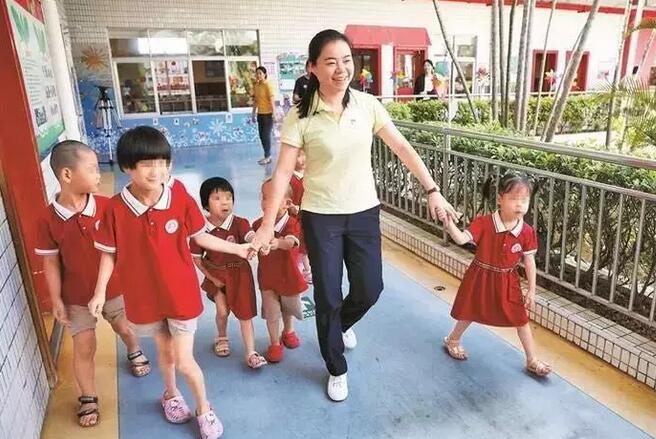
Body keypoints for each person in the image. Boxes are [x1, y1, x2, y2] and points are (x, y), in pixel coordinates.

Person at [250, 29, 457, 402]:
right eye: (330, 62)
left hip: (363, 213)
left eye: (346, 60)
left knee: (369, 287)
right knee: (328, 294)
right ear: (313, 68)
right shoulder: (301, 115)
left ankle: (338, 326)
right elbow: (282, 173)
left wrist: (432, 190)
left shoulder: (367, 105)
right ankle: (336, 366)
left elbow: (402, 147)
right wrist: (267, 226)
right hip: (321, 217)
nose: (340, 69)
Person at [90, 126, 254, 439]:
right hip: (145, 298)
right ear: (127, 167)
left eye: (162, 162)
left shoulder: (179, 196)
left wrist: (238, 249)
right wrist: (99, 292)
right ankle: (171, 394)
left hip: (180, 296)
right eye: (147, 164)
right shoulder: (114, 209)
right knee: (164, 355)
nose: (157, 171)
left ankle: (204, 408)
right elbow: (109, 253)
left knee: (184, 359)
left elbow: (200, 236)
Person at [34, 140, 150, 428]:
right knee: (84, 347)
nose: (99, 175)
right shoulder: (47, 219)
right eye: (92, 169)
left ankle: (134, 349)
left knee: (125, 328)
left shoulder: (108, 207)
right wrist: (56, 300)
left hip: (115, 289)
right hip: (76, 297)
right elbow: (50, 263)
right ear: (67, 175)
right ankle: (88, 396)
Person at [439, 171, 552, 377]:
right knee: (469, 311)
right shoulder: (484, 222)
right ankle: (452, 340)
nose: (520, 205)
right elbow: (462, 239)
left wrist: (532, 290)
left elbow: (529, 261)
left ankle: (532, 360)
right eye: (514, 199)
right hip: (480, 277)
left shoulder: (527, 232)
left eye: (524, 199)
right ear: (500, 199)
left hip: (508, 281)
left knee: (521, 319)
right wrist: (449, 224)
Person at [190, 177, 267, 369]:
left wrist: (258, 242)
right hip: (217, 276)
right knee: (222, 312)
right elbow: (197, 259)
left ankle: (251, 352)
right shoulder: (200, 230)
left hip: (240, 275)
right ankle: (221, 337)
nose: (225, 202)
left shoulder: (240, 223)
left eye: (228, 197)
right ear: (205, 204)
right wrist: (212, 278)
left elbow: (250, 236)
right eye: (217, 198)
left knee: (245, 315)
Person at [252, 179, 308, 363]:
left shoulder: (291, 224)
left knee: (288, 308)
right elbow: (253, 242)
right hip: (267, 278)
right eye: (263, 197)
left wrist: (278, 243)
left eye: (271, 198)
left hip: (288, 276)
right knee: (271, 313)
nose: (264, 202)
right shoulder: (258, 225)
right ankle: (274, 343)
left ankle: (288, 331)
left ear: (287, 203)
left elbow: (291, 242)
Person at [288, 150, 312, 283]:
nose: (303, 159)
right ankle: (307, 271)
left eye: (304, 155)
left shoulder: (310, 175)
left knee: (306, 245)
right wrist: (292, 207)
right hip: (295, 218)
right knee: (301, 246)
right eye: (298, 156)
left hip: (308, 215)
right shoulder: (289, 179)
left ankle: (305, 268)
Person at [252, 66, 276, 165]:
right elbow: (256, 100)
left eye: (260, 73)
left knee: (266, 136)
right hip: (260, 114)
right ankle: (267, 155)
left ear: (265, 74)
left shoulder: (268, 85)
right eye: (257, 73)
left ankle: (268, 157)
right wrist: (253, 113)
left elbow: (272, 99)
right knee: (261, 136)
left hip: (268, 114)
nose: (258, 75)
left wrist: (274, 113)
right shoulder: (256, 86)